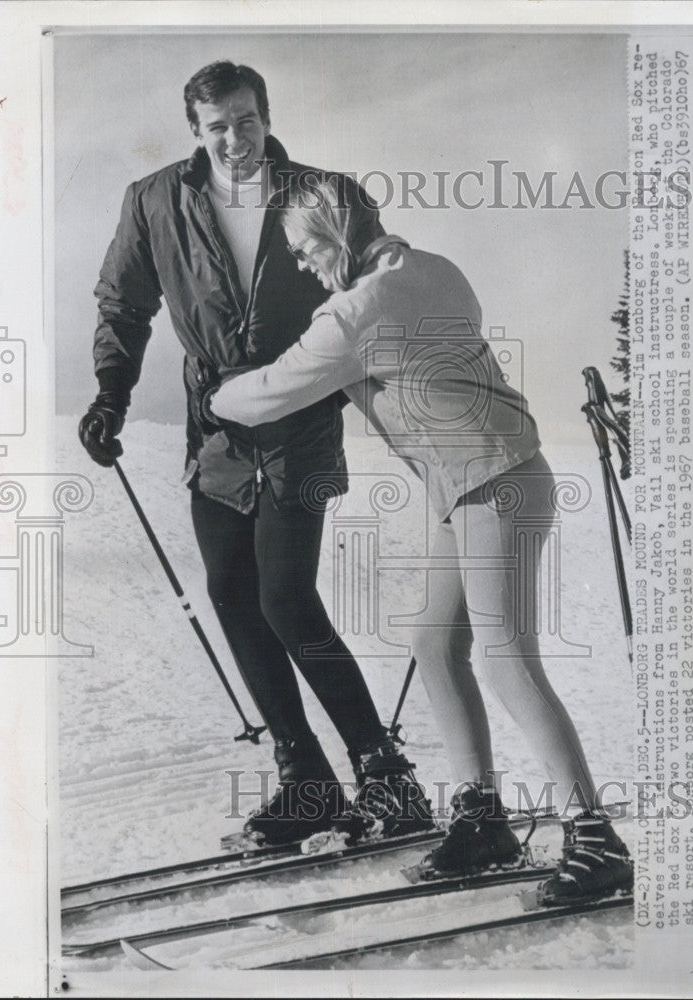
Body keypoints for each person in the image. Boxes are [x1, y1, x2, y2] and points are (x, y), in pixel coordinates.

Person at [207, 174, 634, 904]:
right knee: (436, 644)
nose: (306, 266)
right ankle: (481, 820)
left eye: (307, 249)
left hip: (491, 481)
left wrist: (214, 394)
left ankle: (596, 841)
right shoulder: (434, 269)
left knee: (505, 659)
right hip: (481, 479)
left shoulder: (356, 311)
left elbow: (275, 389)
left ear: (337, 231)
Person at [78, 62, 433, 847]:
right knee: (233, 593)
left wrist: (417, 416)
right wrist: (111, 392)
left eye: (245, 121)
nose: (233, 140)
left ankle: (386, 775)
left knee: (285, 596)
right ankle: (307, 782)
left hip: (302, 416)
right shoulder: (156, 200)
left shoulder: (326, 193)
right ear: (194, 133)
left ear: (266, 118)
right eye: (216, 127)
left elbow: (382, 296)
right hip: (216, 430)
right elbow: (123, 303)